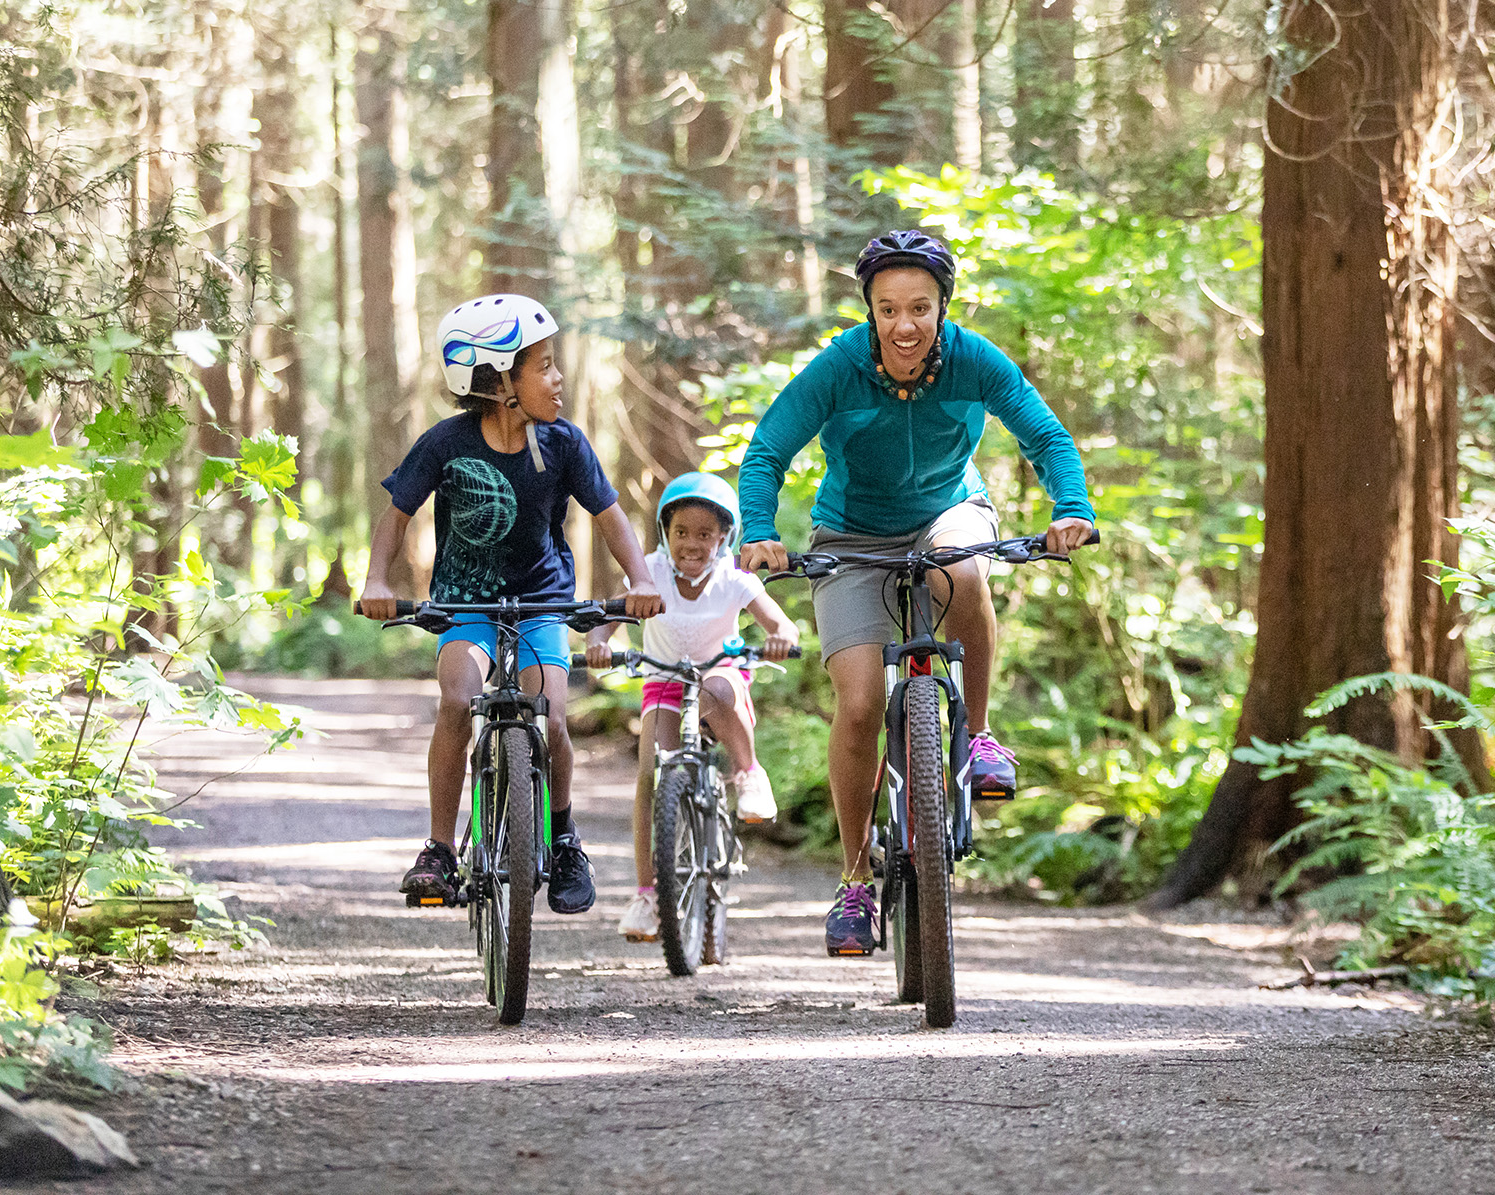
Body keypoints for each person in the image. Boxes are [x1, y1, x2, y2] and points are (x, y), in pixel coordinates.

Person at [736, 229, 1095, 957]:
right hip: (850, 536)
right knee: (862, 699)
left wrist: (1072, 508)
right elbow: (770, 447)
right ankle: (856, 880)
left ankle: (983, 737)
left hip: (946, 514)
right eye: (889, 308)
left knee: (962, 566)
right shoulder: (840, 366)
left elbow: (1046, 436)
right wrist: (761, 530)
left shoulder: (971, 359)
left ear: (942, 310)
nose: (905, 324)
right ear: (869, 310)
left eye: (921, 308)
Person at [358, 294, 664, 916]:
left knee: (549, 715)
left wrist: (639, 580)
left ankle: (565, 837)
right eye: (543, 366)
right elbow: (396, 516)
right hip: (464, 602)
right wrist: (376, 581)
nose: (557, 378)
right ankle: (440, 849)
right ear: (499, 382)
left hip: (541, 603)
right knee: (455, 698)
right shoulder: (446, 444)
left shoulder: (564, 444)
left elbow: (611, 519)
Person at [582, 471, 801, 943]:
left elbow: (778, 621)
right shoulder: (651, 571)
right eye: (681, 532)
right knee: (649, 773)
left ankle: (748, 773)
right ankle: (647, 895)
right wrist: (599, 642)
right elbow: (608, 615)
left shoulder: (733, 579)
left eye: (705, 534)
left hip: (719, 675)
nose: (691, 543)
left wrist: (782, 636)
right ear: (667, 533)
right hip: (663, 680)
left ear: (724, 538)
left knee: (717, 691)